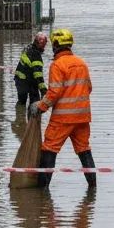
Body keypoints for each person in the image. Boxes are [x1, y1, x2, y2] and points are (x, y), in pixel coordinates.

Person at [32, 28, 96, 189]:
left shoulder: (57, 65)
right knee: (84, 150)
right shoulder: (81, 63)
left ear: (55, 45)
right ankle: (93, 188)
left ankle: (42, 191)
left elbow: (54, 92)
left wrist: (40, 107)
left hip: (63, 119)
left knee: (49, 149)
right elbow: (88, 88)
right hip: (82, 117)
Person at [14, 32, 49, 115]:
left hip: (19, 80)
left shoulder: (28, 48)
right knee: (35, 104)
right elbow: (38, 76)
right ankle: (32, 122)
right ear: (39, 44)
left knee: (21, 101)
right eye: (43, 44)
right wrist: (44, 91)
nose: (44, 47)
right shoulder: (36, 56)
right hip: (29, 82)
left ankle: (19, 120)